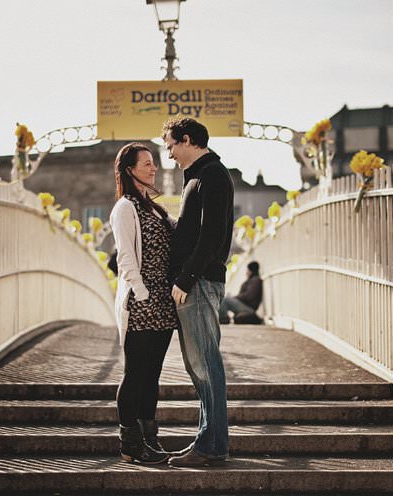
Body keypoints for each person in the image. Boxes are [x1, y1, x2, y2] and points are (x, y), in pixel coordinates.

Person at [162, 117, 234, 467]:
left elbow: (213, 235)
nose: (169, 153)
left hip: (200, 282)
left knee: (205, 364)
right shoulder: (198, 176)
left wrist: (185, 279)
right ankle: (211, 442)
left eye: (171, 145)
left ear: (187, 139)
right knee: (199, 365)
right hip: (197, 281)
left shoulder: (213, 175)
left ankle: (212, 446)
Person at [110, 142, 178, 465]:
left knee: (152, 375)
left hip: (163, 304)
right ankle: (130, 444)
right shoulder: (125, 208)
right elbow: (125, 256)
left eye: (154, 162)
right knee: (135, 373)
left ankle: (150, 440)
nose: (153, 168)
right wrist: (141, 293)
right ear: (130, 169)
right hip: (142, 302)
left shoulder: (153, 207)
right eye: (147, 163)